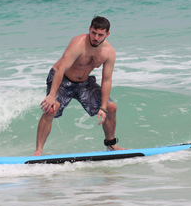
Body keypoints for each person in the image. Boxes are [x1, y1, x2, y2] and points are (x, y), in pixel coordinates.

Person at [34, 16, 124, 156]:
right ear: (89, 29)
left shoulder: (109, 52)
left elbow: (106, 79)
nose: (95, 37)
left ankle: (111, 145)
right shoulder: (78, 44)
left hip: (84, 83)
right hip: (62, 79)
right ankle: (38, 151)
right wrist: (52, 96)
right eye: (93, 32)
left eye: (100, 35)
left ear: (107, 34)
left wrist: (103, 106)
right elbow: (61, 68)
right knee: (50, 109)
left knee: (111, 108)